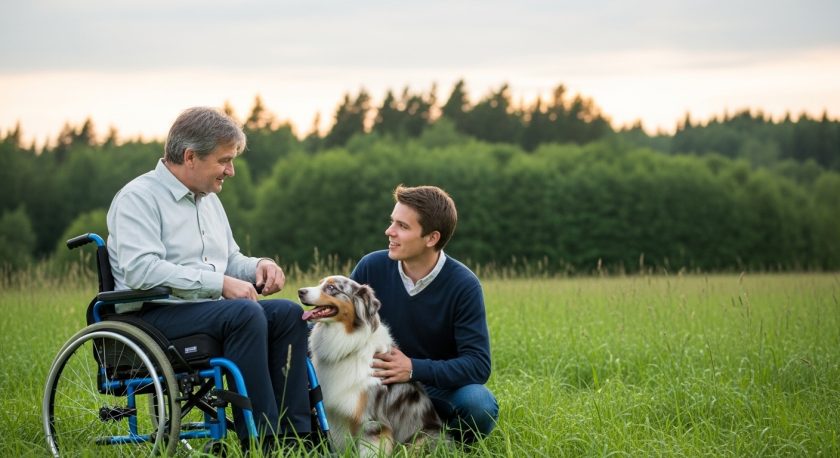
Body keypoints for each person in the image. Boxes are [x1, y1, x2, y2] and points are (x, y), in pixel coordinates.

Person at [106, 107, 312, 450]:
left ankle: (297, 437)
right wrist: (218, 284)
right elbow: (140, 271)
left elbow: (228, 260)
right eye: (224, 161)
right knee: (245, 314)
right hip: (150, 317)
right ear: (190, 157)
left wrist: (259, 265)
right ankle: (260, 441)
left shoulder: (209, 201)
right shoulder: (137, 198)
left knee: (287, 314)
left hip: (205, 311)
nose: (230, 171)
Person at [350, 184, 499, 443]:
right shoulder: (370, 267)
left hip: (433, 388)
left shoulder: (464, 285)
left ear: (431, 238)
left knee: (479, 403)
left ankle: (444, 445)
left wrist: (412, 368)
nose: (390, 231)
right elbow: (339, 324)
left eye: (403, 226)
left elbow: (478, 364)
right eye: (392, 222)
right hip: (374, 383)